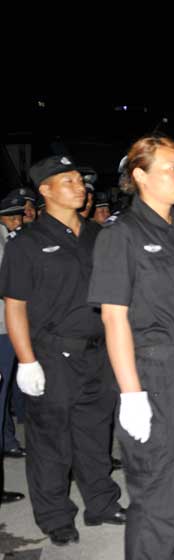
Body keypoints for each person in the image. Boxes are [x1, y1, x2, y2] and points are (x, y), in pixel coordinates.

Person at [87, 135, 174, 559]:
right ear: (140, 176)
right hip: (157, 374)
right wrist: (131, 394)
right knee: (160, 490)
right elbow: (114, 318)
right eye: (170, 169)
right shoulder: (121, 234)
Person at [0, 155, 126, 546]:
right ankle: (55, 515)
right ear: (45, 190)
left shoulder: (97, 234)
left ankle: (101, 503)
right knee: (51, 441)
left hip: (98, 352)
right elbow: (15, 306)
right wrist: (26, 361)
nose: (79, 187)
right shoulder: (28, 242)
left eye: (79, 180)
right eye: (68, 180)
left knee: (96, 433)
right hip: (53, 354)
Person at [0, 193, 27, 503]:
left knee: (4, 393)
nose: (17, 221)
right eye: (12, 217)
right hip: (2, 329)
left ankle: (7, 441)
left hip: (6, 328)